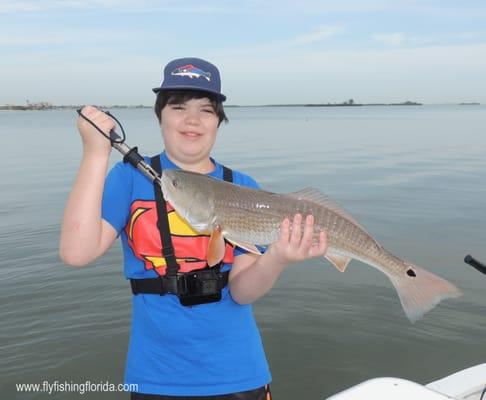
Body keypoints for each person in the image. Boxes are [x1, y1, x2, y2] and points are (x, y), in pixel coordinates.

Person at [59, 57, 328, 400]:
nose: (192, 120)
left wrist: (277, 257)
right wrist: (95, 154)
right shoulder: (129, 177)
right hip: (154, 376)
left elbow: (243, 292)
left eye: (206, 110)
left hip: (239, 375)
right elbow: (75, 252)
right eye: (178, 107)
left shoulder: (243, 186)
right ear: (160, 116)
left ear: (219, 121)